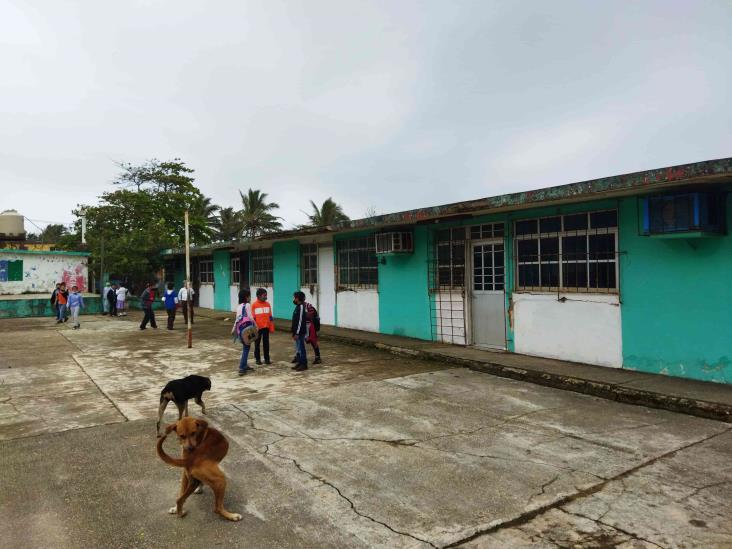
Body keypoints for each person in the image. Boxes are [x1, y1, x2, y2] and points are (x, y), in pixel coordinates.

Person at [231, 289, 255, 376]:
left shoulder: (238, 306)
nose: (250, 298)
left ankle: (244, 365)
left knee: (246, 347)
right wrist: (256, 326)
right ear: (246, 297)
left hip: (240, 330)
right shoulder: (248, 305)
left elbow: (237, 319)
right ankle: (242, 367)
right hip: (247, 330)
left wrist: (233, 329)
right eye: (249, 296)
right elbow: (251, 317)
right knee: (246, 348)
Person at [292, 300, 322, 365]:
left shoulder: (308, 306)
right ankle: (298, 356)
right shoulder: (297, 307)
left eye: (295, 298)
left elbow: (314, 316)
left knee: (313, 341)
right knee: (298, 342)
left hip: (309, 326)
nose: (294, 299)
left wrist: (317, 329)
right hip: (300, 327)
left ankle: (318, 357)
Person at [252, 288, 275, 365]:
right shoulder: (254, 305)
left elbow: (270, 317)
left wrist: (271, 327)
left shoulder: (268, 304)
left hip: (266, 328)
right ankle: (258, 359)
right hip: (257, 328)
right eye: (264, 295)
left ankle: (267, 359)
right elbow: (253, 318)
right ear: (258, 296)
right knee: (257, 344)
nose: (266, 297)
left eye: (266, 295)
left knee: (266, 344)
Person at [291, 291, 308, 371]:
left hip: (300, 332)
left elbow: (300, 321)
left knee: (301, 348)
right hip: (296, 332)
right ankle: (300, 363)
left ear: (297, 298)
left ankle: (304, 364)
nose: (294, 299)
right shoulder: (297, 306)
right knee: (298, 348)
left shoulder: (301, 307)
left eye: (294, 297)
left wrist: (297, 333)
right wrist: (293, 333)